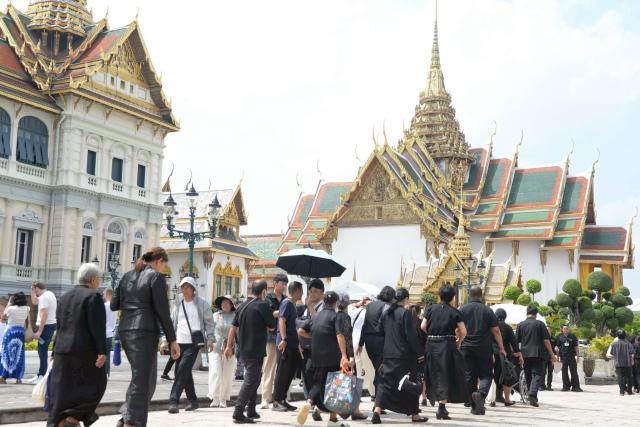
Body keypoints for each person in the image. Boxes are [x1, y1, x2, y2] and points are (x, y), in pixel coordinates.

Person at [111, 247, 180, 427]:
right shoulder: (155, 277)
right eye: (164, 265)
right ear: (158, 261)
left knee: (144, 379)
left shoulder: (126, 276)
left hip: (126, 331)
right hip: (144, 332)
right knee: (142, 381)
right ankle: (130, 423)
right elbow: (163, 312)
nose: (163, 269)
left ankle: (126, 417)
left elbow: (113, 304)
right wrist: (172, 340)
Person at [47, 263, 107, 427]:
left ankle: (62, 422)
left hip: (62, 351)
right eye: (99, 279)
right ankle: (72, 418)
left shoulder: (65, 296)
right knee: (98, 385)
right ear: (93, 280)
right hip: (84, 352)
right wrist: (102, 351)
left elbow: (59, 326)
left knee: (63, 392)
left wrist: (54, 351)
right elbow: (97, 327)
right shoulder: (93, 297)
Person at [372, 288, 427, 424]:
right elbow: (411, 336)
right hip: (403, 355)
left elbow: (378, 331)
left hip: (388, 354)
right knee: (410, 382)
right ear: (406, 299)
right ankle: (414, 415)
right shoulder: (405, 313)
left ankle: (377, 411)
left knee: (385, 384)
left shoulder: (386, 313)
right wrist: (420, 354)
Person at [225, 280, 276, 424]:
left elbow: (233, 327)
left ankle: (252, 409)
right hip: (255, 348)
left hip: (243, 348)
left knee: (254, 378)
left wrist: (229, 346)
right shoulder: (263, 305)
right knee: (251, 379)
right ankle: (238, 411)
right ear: (264, 291)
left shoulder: (242, 306)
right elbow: (272, 327)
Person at [296, 291, 350, 427]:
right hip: (332, 356)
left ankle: (309, 403)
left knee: (318, 383)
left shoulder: (316, 316)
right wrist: (344, 355)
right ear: (336, 303)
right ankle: (332, 420)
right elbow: (339, 335)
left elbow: (301, 331)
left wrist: (315, 337)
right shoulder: (335, 316)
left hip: (316, 355)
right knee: (334, 387)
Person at [167, 277, 215, 414]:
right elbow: (171, 323)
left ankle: (173, 401)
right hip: (178, 342)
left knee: (181, 370)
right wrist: (167, 340)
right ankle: (193, 401)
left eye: (188, 287)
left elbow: (209, 323)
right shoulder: (178, 304)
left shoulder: (202, 304)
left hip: (193, 343)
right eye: (183, 287)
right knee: (184, 372)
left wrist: (210, 338)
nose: (185, 290)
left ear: (194, 289)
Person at [421, 284, 469, 420]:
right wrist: (458, 342)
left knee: (431, 372)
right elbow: (463, 331)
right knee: (446, 374)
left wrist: (431, 334)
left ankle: (433, 399)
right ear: (452, 298)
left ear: (439, 295)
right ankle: (441, 408)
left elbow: (423, 326)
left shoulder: (430, 309)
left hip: (431, 344)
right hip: (447, 345)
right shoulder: (455, 312)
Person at [459, 286, 506, 415]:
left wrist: (458, 344)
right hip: (483, 346)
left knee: (470, 375)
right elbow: (496, 331)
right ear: (481, 295)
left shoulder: (462, 310)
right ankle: (481, 394)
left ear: (469, 295)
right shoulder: (487, 310)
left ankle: (474, 405)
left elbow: (457, 330)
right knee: (486, 375)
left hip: (466, 346)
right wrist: (501, 348)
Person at [357, 286, 395, 400]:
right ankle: (379, 400)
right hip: (381, 341)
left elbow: (365, 325)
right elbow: (388, 327)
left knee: (378, 368)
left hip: (369, 342)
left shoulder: (370, 306)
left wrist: (360, 343)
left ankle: (378, 398)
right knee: (381, 370)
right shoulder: (387, 307)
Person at [515, 305, 556, 407]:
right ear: (536, 314)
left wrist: (518, 354)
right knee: (537, 374)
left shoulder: (521, 325)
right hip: (538, 353)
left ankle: (531, 395)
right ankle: (532, 394)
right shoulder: (540, 324)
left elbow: (516, 341)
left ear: (527, 313)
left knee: (528, 375)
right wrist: (551, 354)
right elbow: (546, 341)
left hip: (525, 354)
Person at [272, 281, 304, 412]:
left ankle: (283, 399)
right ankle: (277, 401)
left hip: (292, 343)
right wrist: (284, 339)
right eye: (301, 290)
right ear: (296, 291)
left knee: (289, 373)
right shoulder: (287, 303)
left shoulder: (293, 304)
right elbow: (281, 320)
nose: (302, 293)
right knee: (282, 373)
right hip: (285, 343)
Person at [337, 292, 367, 421]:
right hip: (345, 354)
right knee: (352, 382)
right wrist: (350, 356)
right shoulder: (345, 317)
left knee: (337, 382)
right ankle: (355, 411)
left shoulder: (335, 316)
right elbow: (347, 338)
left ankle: (327, 408)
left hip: (335, 353)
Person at [260, 273, 288, 409]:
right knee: (268, 368)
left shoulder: (286, 299)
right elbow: (267, 314)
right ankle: (265, 397)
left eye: (285, 284)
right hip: (271, 337)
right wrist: (282, 311)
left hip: (283, 337)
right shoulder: (268, 298)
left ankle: (280, 397)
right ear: (275, 283)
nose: (284, 286)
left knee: (282, 369)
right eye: (282, 283)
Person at [297, 279, 325, 403]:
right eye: (311, 291)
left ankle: (315, 401)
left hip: (318, 347)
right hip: (306, 346)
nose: (312, 294)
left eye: (316, 292)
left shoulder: (324, 306)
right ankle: (311, 400)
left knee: (316, 375)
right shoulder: (307, 308)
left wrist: (309, 306)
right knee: (307, 374)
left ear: (322, 294)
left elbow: (319, 322)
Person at [209, 294, 237, 408]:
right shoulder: (215, 315)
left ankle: (223, 399)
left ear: (231, 305)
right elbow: (210, 329)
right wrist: (209, 340)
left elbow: (237, 332)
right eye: (223, 302)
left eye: (227, 302)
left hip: (229, 347)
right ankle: (214, 397)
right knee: (216, 372)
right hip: (216, 347)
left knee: (227, 374)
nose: (224, 304)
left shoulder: (235, 316)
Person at [28, 281, 57, 384]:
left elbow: (45, 313)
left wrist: (39, 331)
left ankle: (42, 375)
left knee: (42, 351)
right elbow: (35, 302)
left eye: (34, 289)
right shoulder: (50, 294)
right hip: (50, 324)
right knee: (42, 351)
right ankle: (40, 374)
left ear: (37, 288)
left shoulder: (44, 297)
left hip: (46, 326)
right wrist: (32, 291)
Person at [492, 308, 522, 406]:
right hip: (504, 354)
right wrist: (518, 353)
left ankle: (493, 398)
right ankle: (507, 399)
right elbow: (514, 342)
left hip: (491, 353)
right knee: (506, 376)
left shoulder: (491, 326)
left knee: (492, 376)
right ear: (505, 317)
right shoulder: (508, 327)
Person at [0, 292, 30, 384]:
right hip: (20, 332)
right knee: (19, 355)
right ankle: (18, 378)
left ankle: (3, 377)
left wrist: (9, 304)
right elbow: (27, 321)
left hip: (9, 332)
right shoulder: (27, 308)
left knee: (6, 354)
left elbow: (2, 317)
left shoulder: (10, 309)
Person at [608, 329, 635, 396]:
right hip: (627, 363)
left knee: (620, 377)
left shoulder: (614, 344)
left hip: (618, 363)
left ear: (617, 335)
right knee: (629, 377)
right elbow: (631, 352)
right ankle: (629, 391)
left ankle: (621, 392)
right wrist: (632, 361)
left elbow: (612, 353)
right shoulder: (628, 343)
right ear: (625, 335)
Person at [555, 325, 582, 392]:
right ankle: (566, 386)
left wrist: (578, 357)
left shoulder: (573, 336)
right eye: (564, 329)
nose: (566, 330)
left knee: (574, 372)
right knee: (564, 373)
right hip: (563, 357)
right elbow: (557, 347)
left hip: (571, 357)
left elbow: (576, 347)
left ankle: (576, 387)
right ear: (562, 329)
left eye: (567, 328)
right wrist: (557, 357)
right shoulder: (559, 337)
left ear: (569, 329)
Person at [103, 288, 117, 377]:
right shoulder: (114, 306)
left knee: (101, 354)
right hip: (110, 333)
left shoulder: (104, 306)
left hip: (103, 333)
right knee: (107, 355)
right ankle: (107, 373)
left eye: (104, 294)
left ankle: (102, 373)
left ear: (107, 294)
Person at [541, 326, 556, 390]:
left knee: (550, 372)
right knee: (542, 372)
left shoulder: (553, 339)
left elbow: (555, 349)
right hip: (543, 357)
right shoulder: (542, 338)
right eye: (546, 330)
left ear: (551, 331)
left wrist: (553, 358)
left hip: (551, 357)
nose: (547, 331)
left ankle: (549, 385)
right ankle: (542, 385)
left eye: (549, 330)